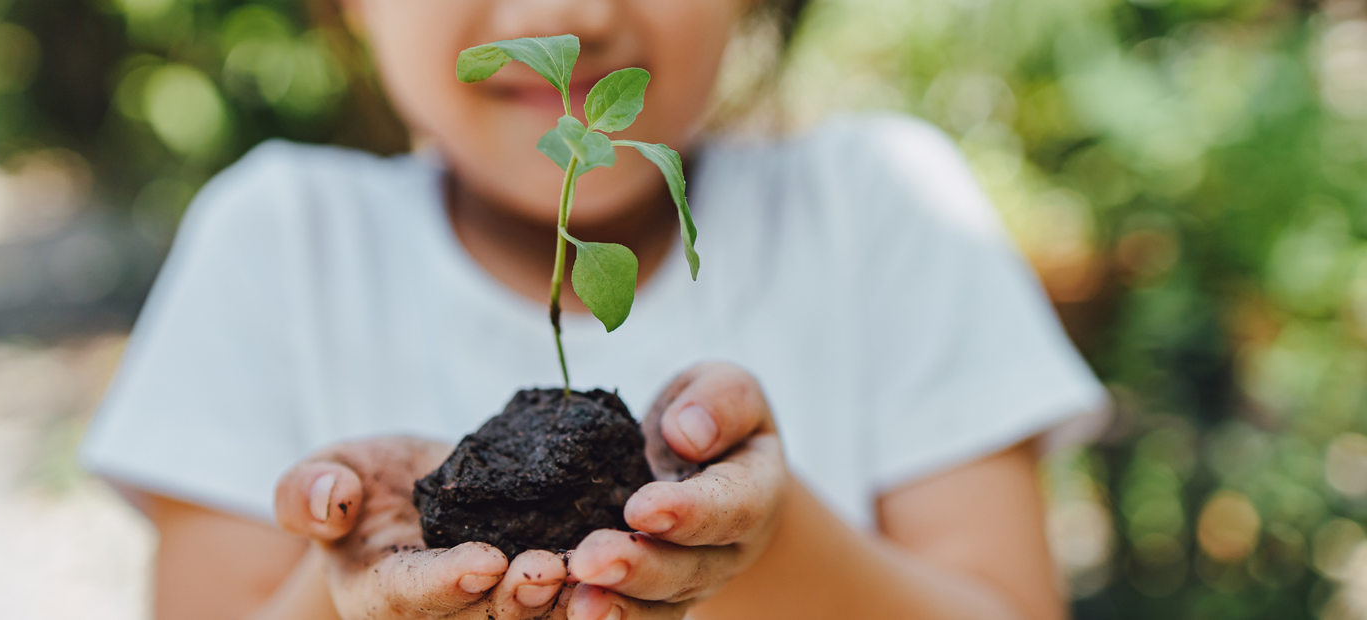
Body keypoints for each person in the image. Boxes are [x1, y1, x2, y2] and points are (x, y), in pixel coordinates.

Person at [81, 0, 1108, 618]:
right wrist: (348, 594)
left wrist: (759, 535)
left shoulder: (881, 206)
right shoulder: (278, 237)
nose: (562, 12)